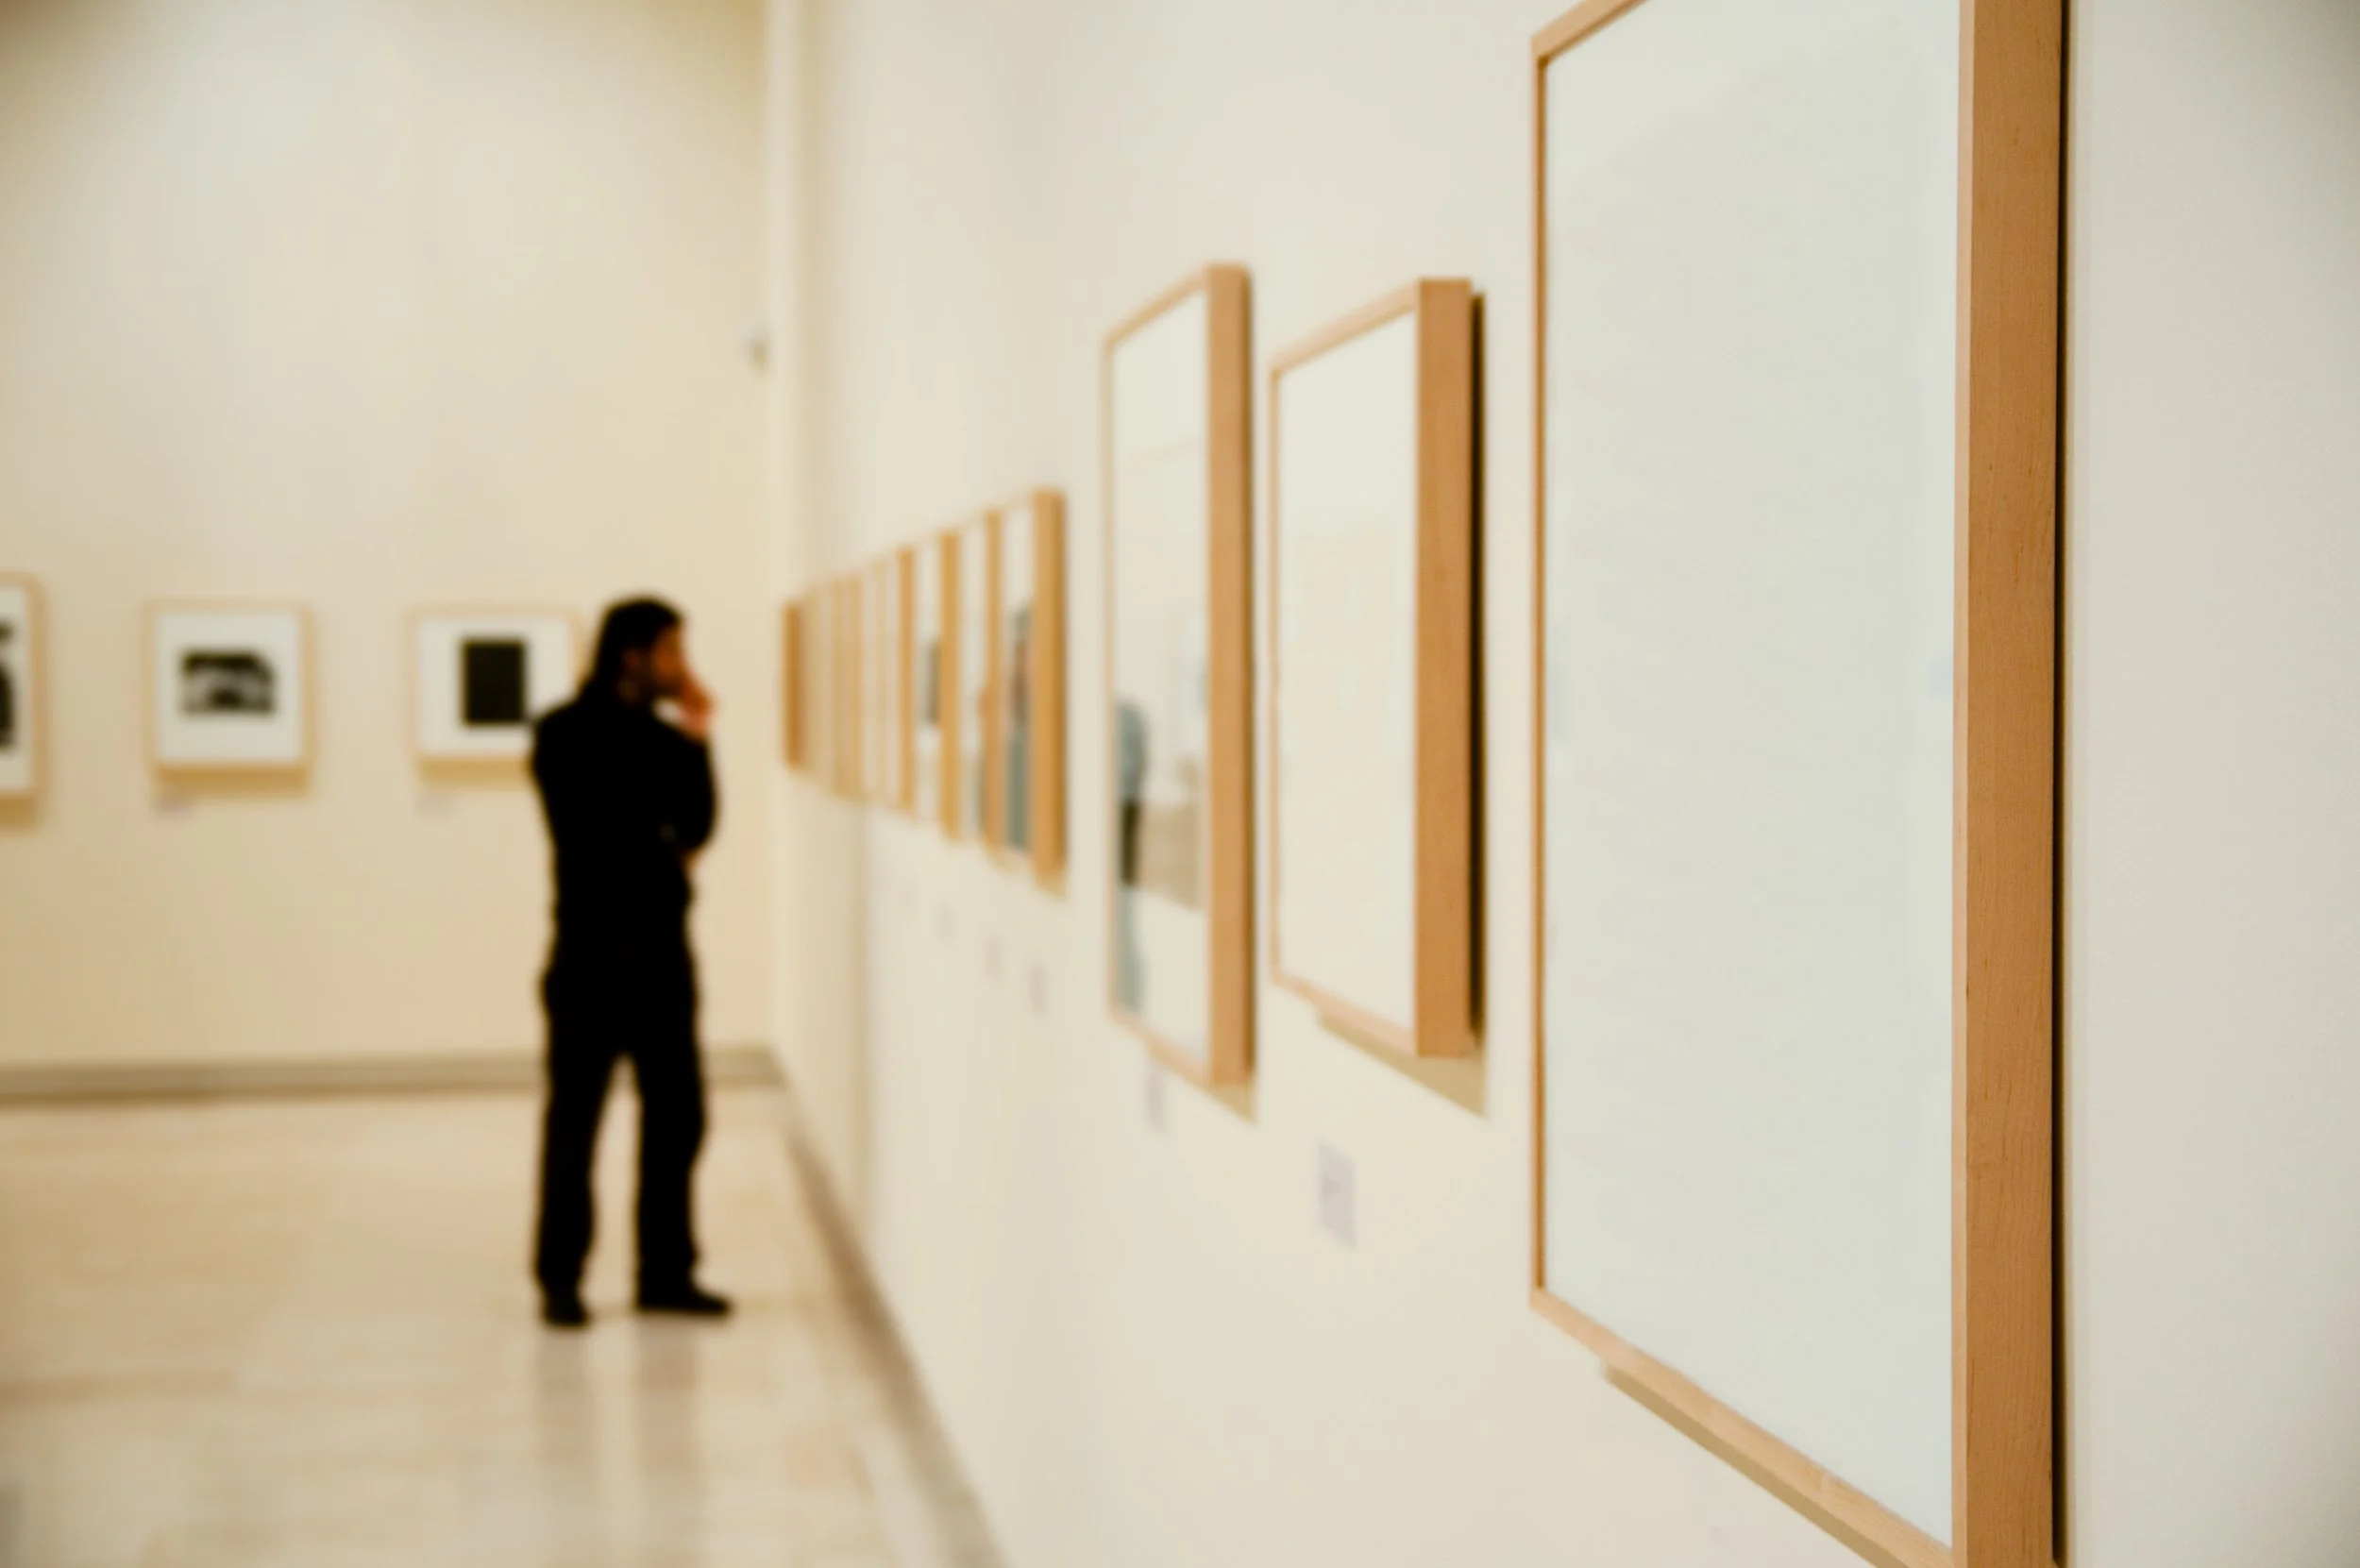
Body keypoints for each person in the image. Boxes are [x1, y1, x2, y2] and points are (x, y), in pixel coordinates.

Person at [528, 597, 728, 1328]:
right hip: (589, 956)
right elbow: (599, 833)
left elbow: (699, 826)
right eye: (673, 653)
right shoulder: (564, 733)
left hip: (662, 958)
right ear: (633, 655)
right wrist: (661, 824)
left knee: (678, 1115)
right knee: (575, 1123)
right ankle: (560, 1277)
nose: (683, 669)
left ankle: (666, 1272)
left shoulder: (662, 740)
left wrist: (699, 734)